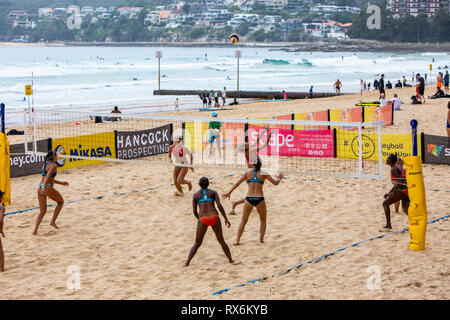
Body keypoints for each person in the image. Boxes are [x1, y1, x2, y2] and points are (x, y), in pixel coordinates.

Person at [223, 157, 283, 245]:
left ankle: (237, 240)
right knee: (263, 220)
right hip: (259, 199)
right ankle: (261, 240)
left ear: (253, 164)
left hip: (249, 199)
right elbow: (275, 183)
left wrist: (229, 192)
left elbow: (237, 183)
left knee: (243, 220)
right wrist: (280, 178)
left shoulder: (247, 173)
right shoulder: (264, 173)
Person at [183, 177, 233, 267]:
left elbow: (194, 211)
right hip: (214, 217)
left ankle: (187, 262)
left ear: (199, 184)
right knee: (221, 241)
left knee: (197, 243)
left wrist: (199, 219)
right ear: (208, 184)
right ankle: (230, 259)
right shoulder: (213, 193)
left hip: (203, 219)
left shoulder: (195, 195)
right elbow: (219, 205)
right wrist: (225, 218)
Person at [34, 150, 69, 235]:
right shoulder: (54, 166)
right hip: (47, 188)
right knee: (61, 202)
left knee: (42, 211)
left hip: (40, 187)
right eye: (56, 155)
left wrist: (61, 183)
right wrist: (45, 189)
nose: (57, 156)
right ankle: (53, 222)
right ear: (53, 157)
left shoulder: (45, 164)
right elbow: (47, 178)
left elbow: (48, 178)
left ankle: (35, 230)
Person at [380, 153, 409, 232]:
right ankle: (415, 222)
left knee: (385, 204)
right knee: (405, 209)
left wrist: (392, 193)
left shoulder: (394, 169)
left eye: (388, 158)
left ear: (391, 160)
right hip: (405, 189)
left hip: (402, 190)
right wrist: (390, 192)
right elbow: (398, 182)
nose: (386, 160)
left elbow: (400, 182)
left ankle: (388, 225)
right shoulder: (396, 167)